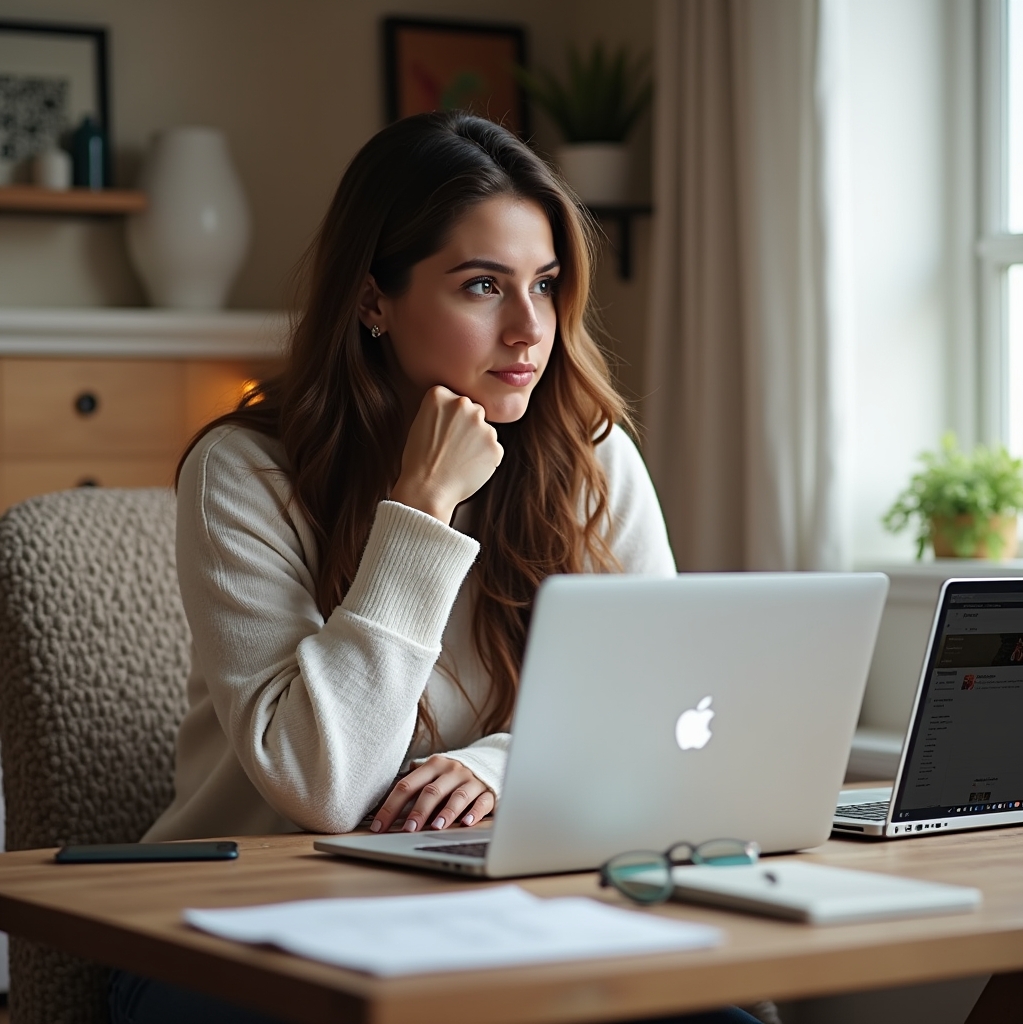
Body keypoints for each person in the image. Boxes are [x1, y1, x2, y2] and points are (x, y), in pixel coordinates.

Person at [110, 112, 759, 1024]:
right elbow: (323, 787)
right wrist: (419, 511)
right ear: (374, 298)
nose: (529, 329)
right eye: (483, 286)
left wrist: (503, 764)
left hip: (496, 908)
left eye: (545, 283)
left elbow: (661, 709)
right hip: (239, 923)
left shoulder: (589, 450)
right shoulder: (245, 470)